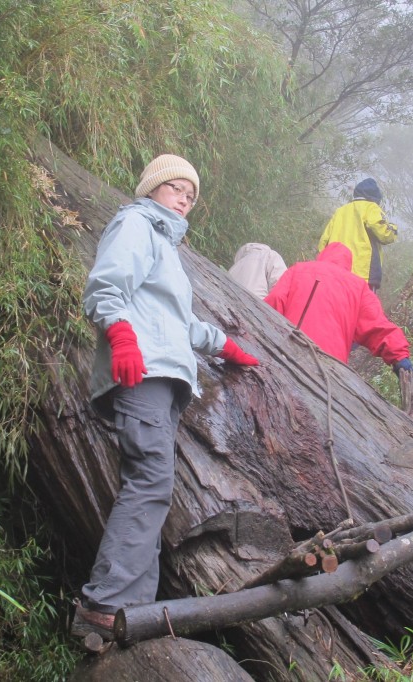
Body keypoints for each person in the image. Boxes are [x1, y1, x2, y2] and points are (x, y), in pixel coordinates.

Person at [74, 154, 259, 641]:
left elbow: (178, 323)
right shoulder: (136, 223)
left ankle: (130, 611)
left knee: (152, 486)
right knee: (149, 484)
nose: (185, 199)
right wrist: (120, 334)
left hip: (161, 373)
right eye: (177, 188)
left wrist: (226, 346)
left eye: (191, 195)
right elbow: (106, 285)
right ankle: (105, 606)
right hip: (143, 371)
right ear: (153, 188)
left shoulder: (163, 244)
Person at [264, 242, 413, 377]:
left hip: (287, 353)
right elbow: (377, 326)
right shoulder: (358, 286)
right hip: (330, 368)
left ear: (322, 256)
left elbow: (274, 301)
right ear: (349, 264)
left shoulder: (298, 270)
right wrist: (401, 359)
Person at [317, 177, 398, 292]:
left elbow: (323, 243)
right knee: (358, 309)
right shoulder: (371, 208)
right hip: (361, 275)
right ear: (375, 197)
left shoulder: (340, 211)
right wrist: (393, 229)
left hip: (333, 273)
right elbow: (384, 233)